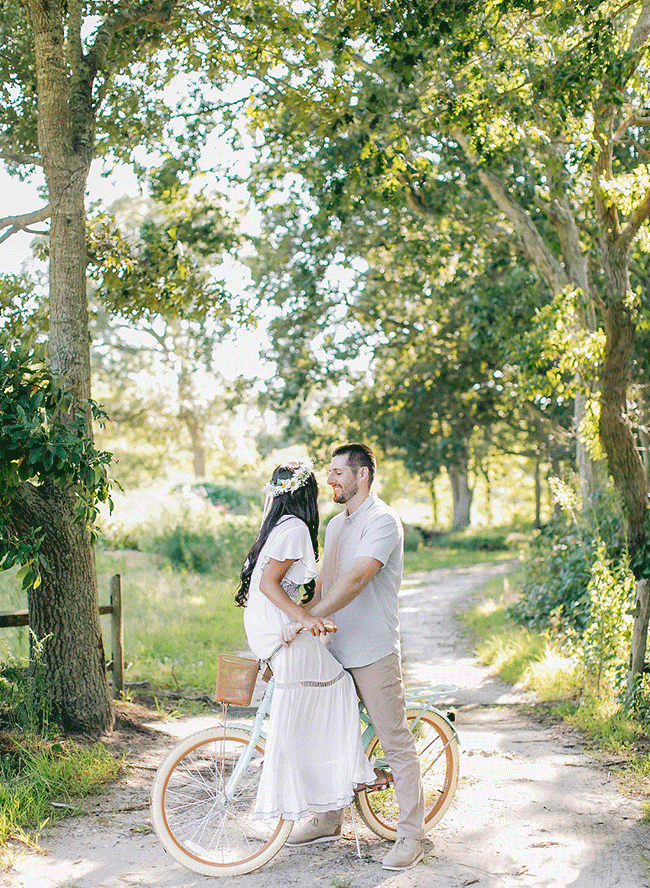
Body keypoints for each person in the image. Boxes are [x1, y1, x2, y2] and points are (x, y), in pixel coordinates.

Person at [284, 443, 426, 871]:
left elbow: (357, 579)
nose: (330, 480)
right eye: (329, 473)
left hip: (373, 650)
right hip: (336, 650)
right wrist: (310, 629)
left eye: (338, 473)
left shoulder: (383, 521)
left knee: (396, 741)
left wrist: (306, 617)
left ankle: (412, 836)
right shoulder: (335, 526)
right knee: (332, 735)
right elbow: (328, 585)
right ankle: (329, 819)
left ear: (362, 474)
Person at [235, 457, 377, 823]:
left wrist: (306, 615)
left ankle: (325, 778)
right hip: (278, 632)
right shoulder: (296, 526)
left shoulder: (277, 525)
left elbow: (279, 587)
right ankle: (342, 777)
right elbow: (269, 585)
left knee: (315, 693)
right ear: (307, 494)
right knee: (342, 686)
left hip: (264, 630)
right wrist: (305, 620)